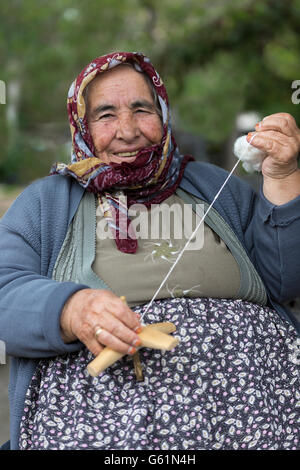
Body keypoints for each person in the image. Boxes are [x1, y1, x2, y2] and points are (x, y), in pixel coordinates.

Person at [0, 51, 299, 451]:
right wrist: (73, 311)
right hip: (100, 420)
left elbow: (285, 282)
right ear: (81, 125)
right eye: (105, 115)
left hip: (254, 412)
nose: (127, 131)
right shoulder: (45, 204)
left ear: (163, 115)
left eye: (142, 109)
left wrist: (282, 179)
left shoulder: (213, 185)